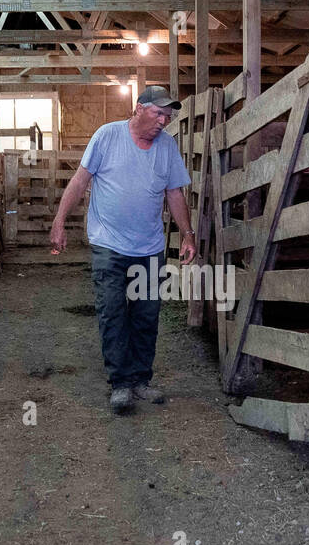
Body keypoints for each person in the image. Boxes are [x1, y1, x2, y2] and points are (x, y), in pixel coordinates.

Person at [49, 85, 198, 412]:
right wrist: (60, 221)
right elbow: (79, 181)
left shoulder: (167, 147)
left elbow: (175, 195)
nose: (163, 121)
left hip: (149, 248)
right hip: (109, 245)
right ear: (139, 108)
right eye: (158, 113)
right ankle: (120, 383)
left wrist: (188, 234)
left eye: (168, 116)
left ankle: (141, 381)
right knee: (113, 312)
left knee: (146, 315)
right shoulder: (107, 137)